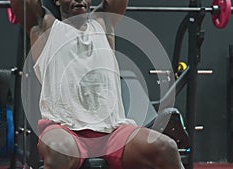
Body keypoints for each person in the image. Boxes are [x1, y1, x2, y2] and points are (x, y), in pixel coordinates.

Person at [10, 0, 184, 168]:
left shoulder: (103, 23)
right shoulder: (44, 28)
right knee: (59, 153)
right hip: (66, 130)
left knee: (166, 147)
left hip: (112, 132)